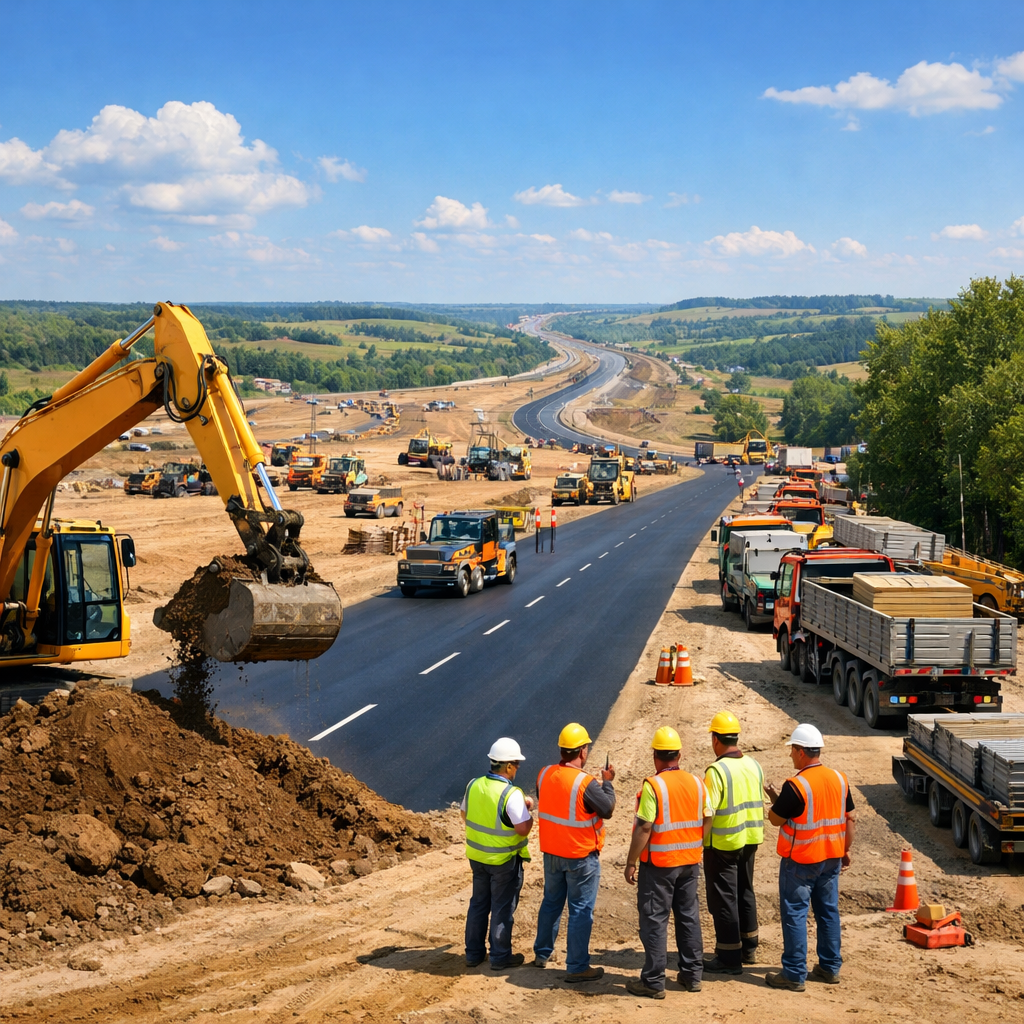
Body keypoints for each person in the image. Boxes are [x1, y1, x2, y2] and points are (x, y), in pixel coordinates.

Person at [764, 723, 856, 991]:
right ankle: (829, 967)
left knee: (795, 913)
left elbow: (776, 819)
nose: (790, 755)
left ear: (801, 751)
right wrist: (845, 849)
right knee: (828, 912)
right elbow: (850, 818)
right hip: (831, 859)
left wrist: (774, 800)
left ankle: (794, 974)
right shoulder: (840, 779)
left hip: (801, 861)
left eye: (792, 750)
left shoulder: (796, 785)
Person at [623, 727, 711, 998]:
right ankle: (692, 975)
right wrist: (696, 844)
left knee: (655, 920)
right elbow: (709, 817)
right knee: (688, 918)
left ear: (655, 756)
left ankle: (653, 981)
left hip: (659, 866)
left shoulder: (654, 786)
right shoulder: (697, 782)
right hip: (690, 863)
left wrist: (631, 861)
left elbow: (644, 827)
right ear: (679, 755)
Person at [533, 722, 616, 982]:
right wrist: (607, 783)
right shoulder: (586, 783)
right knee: (580, 910)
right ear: (581, 751)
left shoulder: (544, 774)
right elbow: (607, 809)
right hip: (580, 857)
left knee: (551, 902)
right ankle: (578, 967)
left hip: (551, 853)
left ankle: (542, 954)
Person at [461, 737, 533, 971]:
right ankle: (500, 956)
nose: (518, 768)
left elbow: (465, 815)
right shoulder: (511, 794)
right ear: (508, 766)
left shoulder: (474, 785)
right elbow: (522, 828)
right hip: (503, 861)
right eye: (516, 764)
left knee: (478, 904)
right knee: (502, 907)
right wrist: (528, 812)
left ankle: (473, 954)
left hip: (477, 858)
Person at [702, 711, 765, 976]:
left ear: (715, 739)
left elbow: (708, 813)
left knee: (724, 899)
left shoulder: (716, 771)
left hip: (723, 844)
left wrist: (698, 842)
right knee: (745, 891)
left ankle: (728, 956)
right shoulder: (754, 765)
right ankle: (749, 947)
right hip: (750, 839)